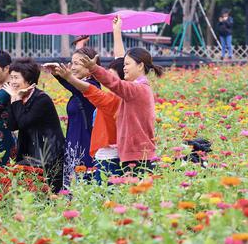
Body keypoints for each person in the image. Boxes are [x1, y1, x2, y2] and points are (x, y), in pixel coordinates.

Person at [51, 16, 126, 183]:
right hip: (76, 145)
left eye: (78, 63)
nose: (109, 81)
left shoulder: (97, 91)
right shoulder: (102, 93)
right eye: (72, 63)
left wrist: (117, 32)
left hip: (92, 148)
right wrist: (80, 46)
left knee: (86, 189)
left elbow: (120, 64)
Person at [81, 47, 163, 175]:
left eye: (127, 64)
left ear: (140, 66)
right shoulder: (139, 88)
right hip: (137, 155)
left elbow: (116, 84)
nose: (124, 67)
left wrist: (94, 69)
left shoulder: (137, 89)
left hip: (138, 158)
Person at [3, 58, 65, 193]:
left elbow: (23, 123)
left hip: (48, 155)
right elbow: (12, 125)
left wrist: (15, 99)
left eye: (16, 78)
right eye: (11, 78)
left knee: (49, 195)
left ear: (29, 80)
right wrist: (14, 99)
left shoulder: (42, 99)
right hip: (30, 155)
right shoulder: (17, 96)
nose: (12, 82)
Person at [43, 47, 100, 187]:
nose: (72, 67)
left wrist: (60, 76)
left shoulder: (92, 86)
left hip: (85, 146)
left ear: (90, 65)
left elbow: (76, 87)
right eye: (72, 63)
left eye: (77, 64)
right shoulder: (79, 88)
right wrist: (59, 75)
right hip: (73, 146)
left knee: (83, 190)